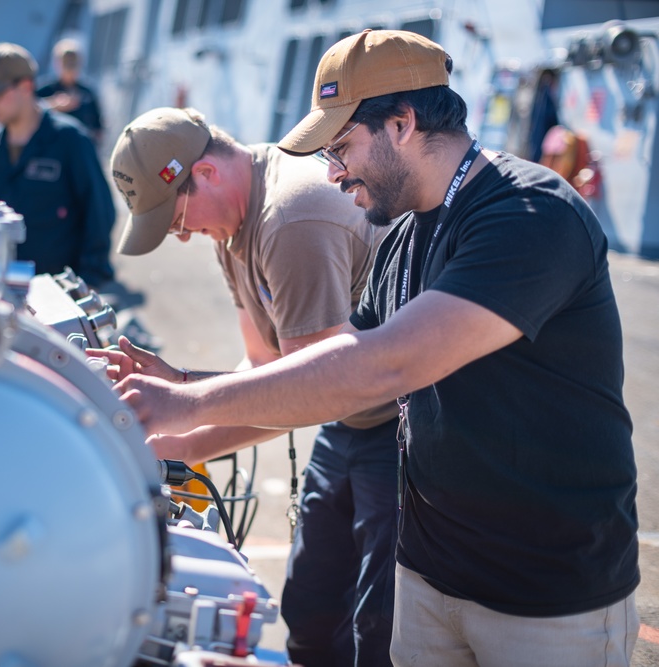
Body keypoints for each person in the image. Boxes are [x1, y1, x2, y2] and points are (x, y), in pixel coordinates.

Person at [114, 29, 639, 666]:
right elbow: (325, 367)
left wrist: (191, 402)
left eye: (341, 149)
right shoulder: (400, 234)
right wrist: (178, 384)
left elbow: (382, 366)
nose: (332, 173)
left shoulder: (530, 216)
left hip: (544, 595)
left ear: (401, 122)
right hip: (431, 573)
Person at [92, 105, 398, 666]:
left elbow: (311, 387)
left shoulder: (291, 217)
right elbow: (261, 367)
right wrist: (172, 443)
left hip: (402, 431)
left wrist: (182, 398)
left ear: (205, 173)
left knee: (375, 632)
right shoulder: (234, 225)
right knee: (310, 613)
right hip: (348, 420)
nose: (181, 237)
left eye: (177, 219)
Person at [0, 42, 115, 288]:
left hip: (59, 293)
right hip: (3, 289)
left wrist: (86, 281)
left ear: (25, 87)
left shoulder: (71, 141)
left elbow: (99, 212)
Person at [36, 38, 104, 146]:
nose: (70, 69)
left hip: (79, 147)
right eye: (66, 63)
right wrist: (53, 105)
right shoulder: (46, 90)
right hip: (51, 146)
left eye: (73, 63)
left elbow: (98, 127)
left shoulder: (87, 93)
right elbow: (30, 109)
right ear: (57, 63)